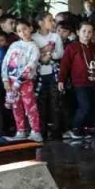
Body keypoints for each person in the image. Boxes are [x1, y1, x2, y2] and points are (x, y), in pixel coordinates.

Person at [59, 21, 95, 140]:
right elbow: (65, 65)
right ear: (78, 32)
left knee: (92, 106)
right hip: (80, 83)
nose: (86, 34)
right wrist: (61, 80)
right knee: (84, 106)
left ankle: (84, 129)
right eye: (84, 31)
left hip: (94, 82)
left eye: (89, 32)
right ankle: (75, 128)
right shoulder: (72, 47)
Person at [1, 18, 43, 141]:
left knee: (30, 106)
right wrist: (5, 79)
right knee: (16, 106)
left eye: (24, 29)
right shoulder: (14, 45)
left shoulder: (34, 47)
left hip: (25, 82)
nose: (22, 32)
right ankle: (21, 130)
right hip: (10, 81)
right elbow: (5, 62)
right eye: (19, 31)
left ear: (30, 28)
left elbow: (31, 66)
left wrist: (18, 83)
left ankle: (35, 131)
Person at [32, 11, 64, 139]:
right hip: (38, 74)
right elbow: (32, 53)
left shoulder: (55, 37)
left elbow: (60, 53)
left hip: (53, 73)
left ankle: (56, 131)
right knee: (40, 103)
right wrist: (42, 55)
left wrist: (50, 55)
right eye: (50, 20)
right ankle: (42, 131)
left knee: (55, 103)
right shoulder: (33, 37)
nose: (53, 22)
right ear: (41, 23)